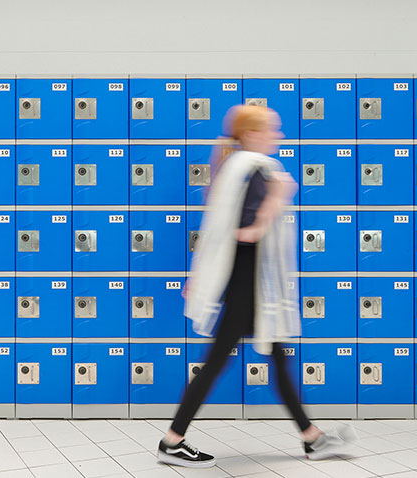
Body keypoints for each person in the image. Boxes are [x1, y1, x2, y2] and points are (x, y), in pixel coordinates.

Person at [157, 105, 357, 468]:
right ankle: (173, 439)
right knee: (224, 359)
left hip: (247, 280)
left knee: (268, 357)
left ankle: (311, 437)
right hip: (247, 281)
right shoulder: (254, 170)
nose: (278, 136)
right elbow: (245, 233)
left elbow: (220, 224)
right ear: (251, 134)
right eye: (272, 130)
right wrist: (277, 199)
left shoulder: (241, 168)